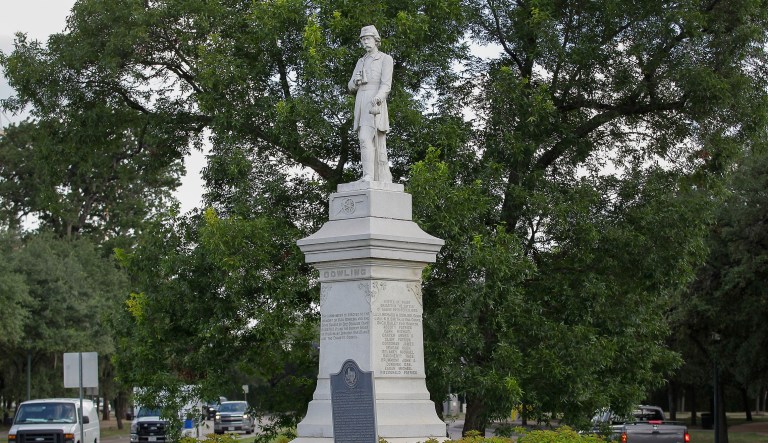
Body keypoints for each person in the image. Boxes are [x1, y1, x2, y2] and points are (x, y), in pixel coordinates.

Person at [348, 25, 393, 182]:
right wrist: (356, 81)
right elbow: (350, 86)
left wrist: (379, 97)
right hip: (361, 102)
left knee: (365, 137)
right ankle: (369, 175)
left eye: (368, 39)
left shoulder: (385, 59)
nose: (365, 42)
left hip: (375, 103)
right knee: (364, 138)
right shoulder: (361, 61)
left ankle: (369, 176)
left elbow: (386, 85)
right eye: (363, 40)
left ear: (376, 40)